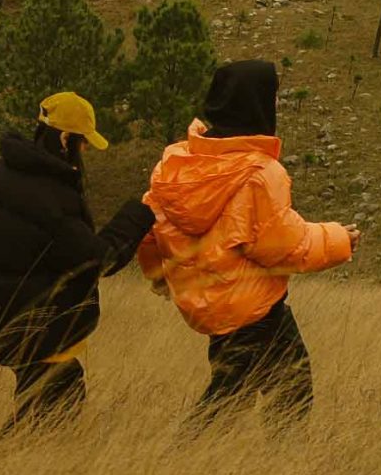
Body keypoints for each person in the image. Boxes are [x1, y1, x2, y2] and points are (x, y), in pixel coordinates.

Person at [135, 61, 355, 426]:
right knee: (287, 396)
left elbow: (149, 233)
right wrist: (338, 238)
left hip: (210, 306)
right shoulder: (259, 173)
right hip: (253, 309)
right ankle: (203, 465)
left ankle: (218, 468)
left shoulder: (175, 165)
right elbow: (280, 246)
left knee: (233, 395)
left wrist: (160, 276)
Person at [0, 91, 155, 433]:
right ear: (65, 139)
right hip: (35, 325)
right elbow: (97, 261)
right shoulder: (51, 195)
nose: (86, 151)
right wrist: (139, 214)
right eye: (84, 143)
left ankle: (7, 466)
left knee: (41, 392)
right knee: (57, 399)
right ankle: (11, 470)